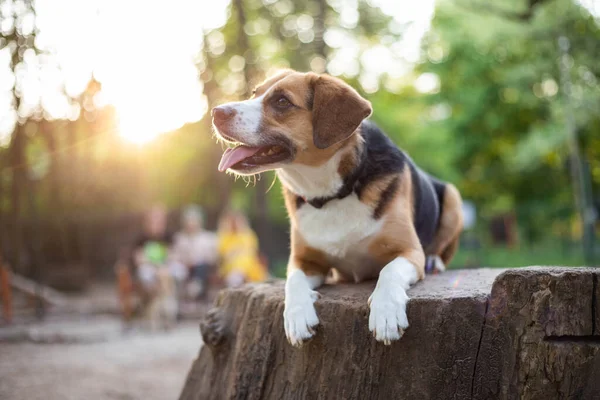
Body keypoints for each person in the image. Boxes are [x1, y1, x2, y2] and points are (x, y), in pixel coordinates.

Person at [133, 205, 186, 293]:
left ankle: (173, 295)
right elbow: (139, 259)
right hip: (150, 267)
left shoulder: (169, 236)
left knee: (180, 272)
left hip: (167, 267)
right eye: (154, 221)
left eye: (160, 221)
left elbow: (175, 255)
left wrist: (164, 266)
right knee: (145, 274)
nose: (157, 224)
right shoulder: (141, 238)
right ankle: (156, 297)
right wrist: (156, 265)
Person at [172, 205, 218, 299]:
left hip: (202, 268)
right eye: (189, 221)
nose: (191, 224)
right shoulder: (180, 238)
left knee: (201, 267)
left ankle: (196, 288)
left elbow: (213, 257)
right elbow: (175, 255)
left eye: (194, 220)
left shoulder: (208, 238)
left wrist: (197, 261)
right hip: (185, 268)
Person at [217, 210, 267, 287]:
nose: (235, 224)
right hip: (231, 266)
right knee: (235, 276)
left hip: (250, 265)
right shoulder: (225, 236)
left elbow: (252, 251)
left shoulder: (248, 234)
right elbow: (224, 254)